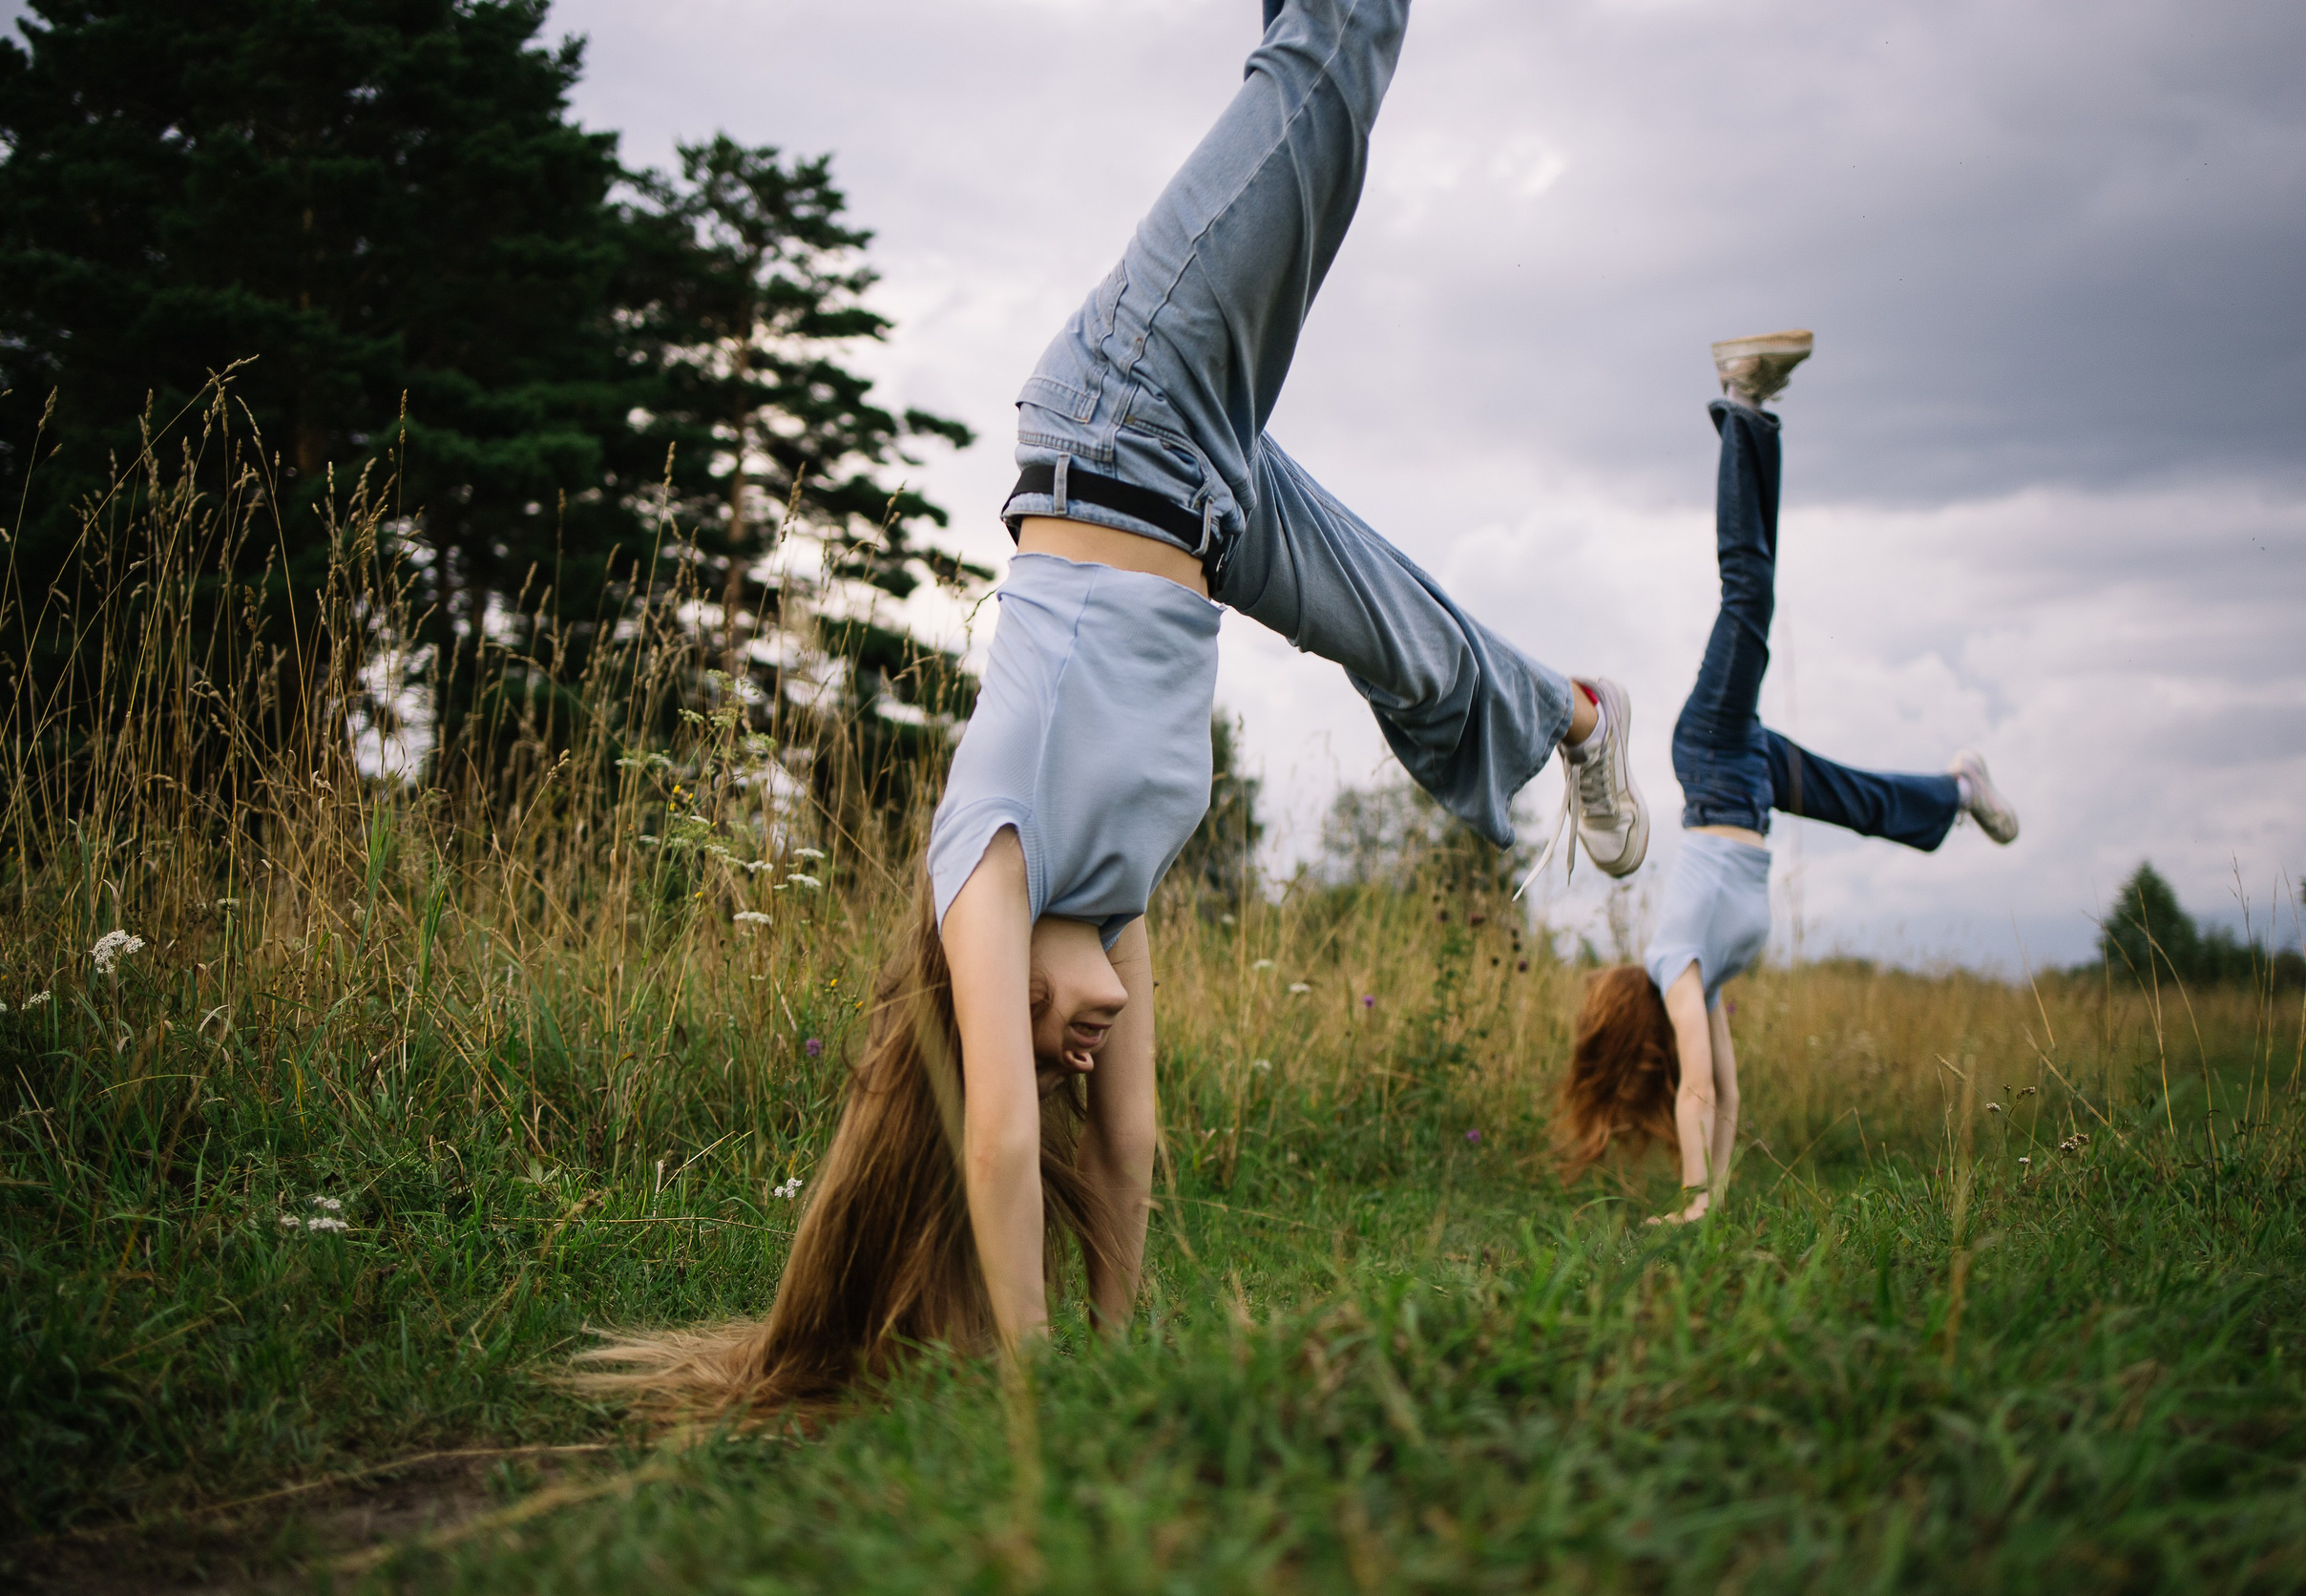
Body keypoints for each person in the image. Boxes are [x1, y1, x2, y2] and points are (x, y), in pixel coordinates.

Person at [576, 0, 1645, 1417]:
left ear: (993, 1004)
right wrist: (1113, 1358)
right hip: (1212, 508)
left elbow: (1010, 1144)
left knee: (1325, 70)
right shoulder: (1113, 899)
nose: (1090, 1044)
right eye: (1079, 1047)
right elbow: (1122, 1143)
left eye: (1045, 1044)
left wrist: (1036, 1409)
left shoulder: (993, 857)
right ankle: (1570, 713)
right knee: (1409, 648)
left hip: (1121, 413)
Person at [1553, 330, 2019, 1225]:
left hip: (1718, 762)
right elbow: (1725, 1098)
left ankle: (1743, 405)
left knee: (1748, 598)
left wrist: (1689, 1201)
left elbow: (1694, 1092)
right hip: (1749, 790)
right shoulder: (1707, 983)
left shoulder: (1676, 965)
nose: (1681, 1048)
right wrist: (1712, 1200)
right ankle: (1958, 788)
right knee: (1859, 801)